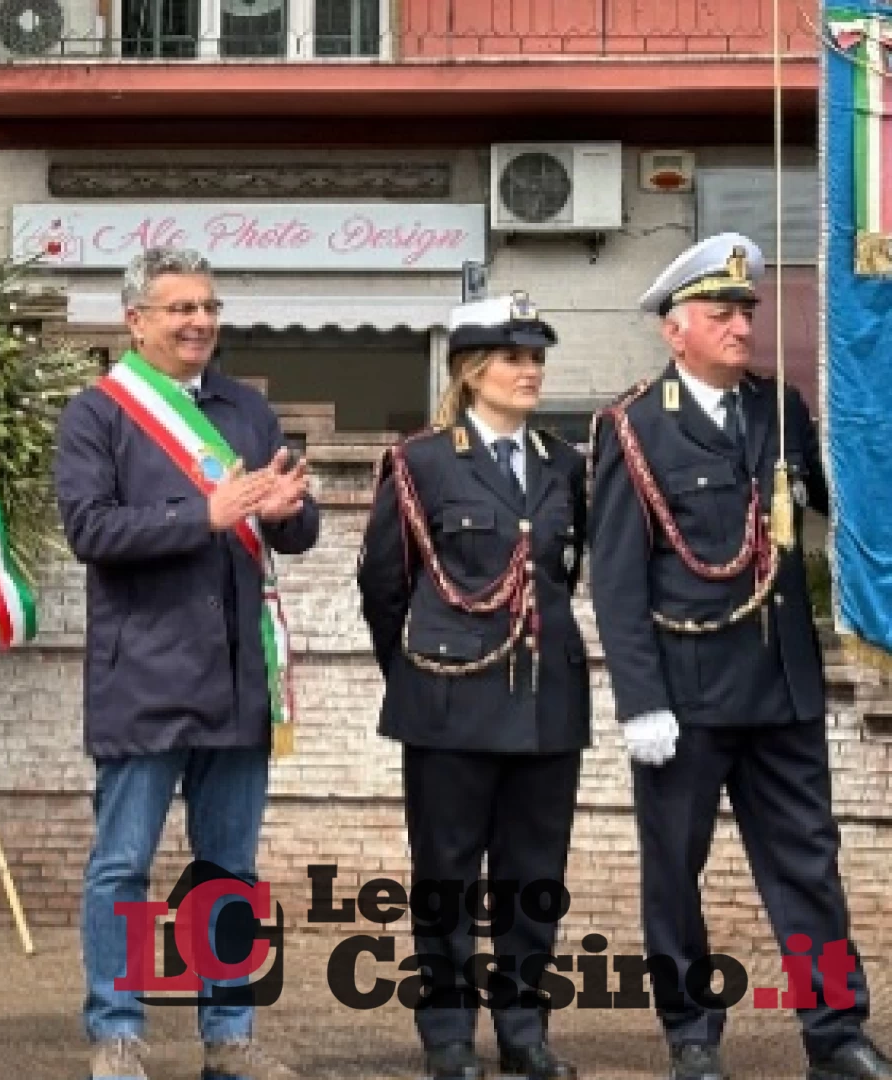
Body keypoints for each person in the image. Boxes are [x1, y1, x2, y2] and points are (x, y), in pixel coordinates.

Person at [588, 233, 888, 1080]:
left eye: (746, 312)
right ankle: (690, 1031)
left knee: (809, 867)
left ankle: (834, 1032)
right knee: (674, 872)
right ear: (674, 329)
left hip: (781, 687)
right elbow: (617, 580)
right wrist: (640, 701)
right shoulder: (633, 427)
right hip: (685, 698)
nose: (742, 327)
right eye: (721, 313)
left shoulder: (779, 407)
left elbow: (834, 500)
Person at [53, 246, 318, 1080]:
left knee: (229, 869)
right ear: (136, 321)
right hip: (143, 673)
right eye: (181, 308)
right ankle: (117, 1034)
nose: (200, 321)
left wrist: (289, 511)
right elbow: (90, 529)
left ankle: (229, 1037)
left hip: (238, 678)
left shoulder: (247, 409)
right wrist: (201, 513)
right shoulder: (98, 414)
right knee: (123, 867)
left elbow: (294, 532)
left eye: (209, 307)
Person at [356, 293, 587, 1080]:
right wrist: (419, 674)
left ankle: (524, 1031)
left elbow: (559, 577)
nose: (531, 371)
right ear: (472, 369)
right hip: (449, 703)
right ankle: (448, 1034)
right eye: (514, 358)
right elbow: (385, 585)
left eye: (537, 358)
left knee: (535, 876)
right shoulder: (421, 462)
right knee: (447, 877)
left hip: (547, 704)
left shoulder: (565, 464)